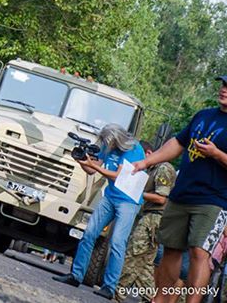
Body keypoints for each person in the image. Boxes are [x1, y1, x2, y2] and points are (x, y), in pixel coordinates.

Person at [131, 76, 227, 303]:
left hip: (214, 200)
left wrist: (217, 154)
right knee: (170, 250)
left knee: (198, 253)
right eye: (223, 85)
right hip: (181, 194)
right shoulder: (203, 115)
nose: (224, 90)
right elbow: (177, 143)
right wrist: (146, 162)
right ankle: (160, 300)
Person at [53, 124, 146, 300]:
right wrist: (82, 161)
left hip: (128, 201)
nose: (106, 146)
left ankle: (109, 287)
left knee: (118, 242)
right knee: (89, 233)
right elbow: (92, 168)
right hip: (110, 196)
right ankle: (76, 275)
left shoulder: (134, 149)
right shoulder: (107, 145)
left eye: (108, 143)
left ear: (117, 140)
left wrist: (94, 167)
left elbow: (117, 175)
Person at [116, 141, 177, 303]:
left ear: (150, 153)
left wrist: (138, 191)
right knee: (145, 264)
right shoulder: (153, 168)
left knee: (133, 255)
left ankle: (118, 296)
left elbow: (161, 198)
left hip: (155, 218)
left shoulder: (163, 169)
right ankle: (151, 298)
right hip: (150, 215)